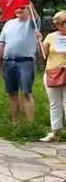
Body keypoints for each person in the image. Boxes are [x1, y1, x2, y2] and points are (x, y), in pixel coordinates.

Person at [0, 3, 41, 124]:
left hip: (25, 62)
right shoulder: (8, 24)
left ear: (27, 9)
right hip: (8, 62)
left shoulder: (32, 23)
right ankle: (16, 123)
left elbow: (35, 16)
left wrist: (29, 3)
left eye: (22, 7)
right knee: (12, 93)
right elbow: (1, 45)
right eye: (17, 7)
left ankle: (30, 124)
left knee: (26, 93)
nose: (19, 10)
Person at [40, 10, 66, 142]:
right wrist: (39, 42)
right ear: (58, 24)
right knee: (55, 103)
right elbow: (43, 55)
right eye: (63, 23)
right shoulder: (51, 36)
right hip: (52, 73)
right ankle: (55, 131)